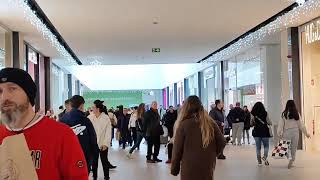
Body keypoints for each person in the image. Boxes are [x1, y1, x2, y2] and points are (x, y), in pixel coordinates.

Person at [0, 68, 88, 179]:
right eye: (0, 91)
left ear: (28, 94)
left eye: (12, 89)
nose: (4, 97)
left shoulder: (62, 134)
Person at [171, 96, 226, 180]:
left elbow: (177, 149)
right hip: (207, 165)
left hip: (189, 166)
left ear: (186, 108)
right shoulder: (210, 122)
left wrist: (174, 169)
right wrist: (212, 153)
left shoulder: (183, 124)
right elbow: (222, 141)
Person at [60, 95, 99, 175]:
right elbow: (93, 139)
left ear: (71, 105)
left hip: (66, 156)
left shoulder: (62, 120)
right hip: (84, 156)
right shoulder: (86, 121)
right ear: (81, 105)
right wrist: (95, 154)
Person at [278, 100, 311, 169]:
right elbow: (301, 125)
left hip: (286, 132)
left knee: (285, 147)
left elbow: (280, 125)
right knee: (294, 148)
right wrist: (306, 133)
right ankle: (292, 160)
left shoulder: (284, 113)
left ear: (287, 105)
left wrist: (279, 133)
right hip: (295, 132)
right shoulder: (296, 113)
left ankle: (290, 158)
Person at [88, 100, 116, 180]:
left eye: (93, 107)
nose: (92, 108)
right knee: (94, 162)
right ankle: (95, 176)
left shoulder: (106, 118)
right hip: (93, 144)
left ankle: (106, 177)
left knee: (104, 161)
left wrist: (105, 144)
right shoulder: (90, 117)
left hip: (103, 144)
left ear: (98, 108)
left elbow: (108, 132)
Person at [250, 102, 272, 166]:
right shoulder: (265, 113)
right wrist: (270, 123)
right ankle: (264, 157)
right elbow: (269, 122)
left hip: (256, 131)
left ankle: (259, 162)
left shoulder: (252, 114)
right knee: (266, 146)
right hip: (264, 131)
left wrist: (254, 123)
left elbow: (251, 123)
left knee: (258, 147)